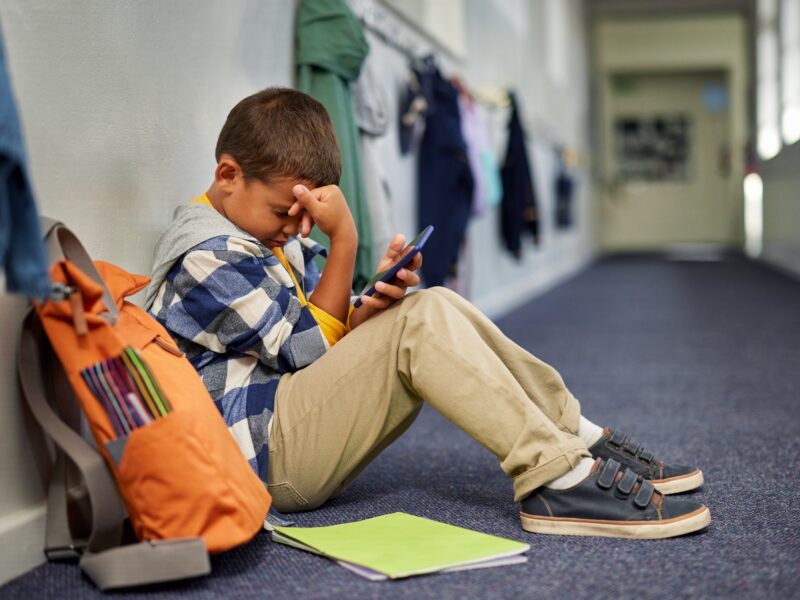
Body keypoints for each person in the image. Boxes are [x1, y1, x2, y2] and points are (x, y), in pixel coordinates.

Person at [145, 87, 710, 539]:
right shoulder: (204, 255)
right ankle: (556, 478)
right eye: (283, 213)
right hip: (264, 456)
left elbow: (314, 334)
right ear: (227, 176)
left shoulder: (255, 232)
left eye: (305, 218)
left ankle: (575, 438)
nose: (297, 229)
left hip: (288, 419)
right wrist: (345, 241)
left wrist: (367, 305)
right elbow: (302, 351)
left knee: (427, 303)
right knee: (418, 324)